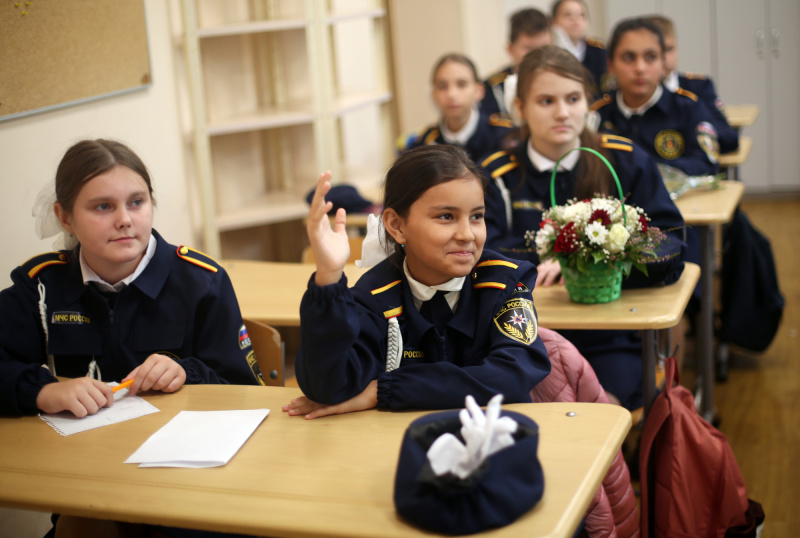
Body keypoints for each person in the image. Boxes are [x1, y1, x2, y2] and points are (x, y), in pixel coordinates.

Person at [0, 139, 264, 537]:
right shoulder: (41, 287)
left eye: (137, 202)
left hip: (189, 492)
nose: (124, 219)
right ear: (65, 217)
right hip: (91, 490)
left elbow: (249, 391)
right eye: (102, 207)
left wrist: (186, 370)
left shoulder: (201, 281)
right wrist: (43, 391)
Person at [481, 45, 686, 410]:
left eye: (573, 98)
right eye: (546, 101)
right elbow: (482, 249)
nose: (562, 112)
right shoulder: (495, 175)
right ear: (520, 108)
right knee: (526, 416)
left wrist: (601, 259)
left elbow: (670, 241)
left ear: (588, 103)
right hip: (522, 335)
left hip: (612, 335)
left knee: (596, 412)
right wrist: (549, 256)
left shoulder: (625, 159)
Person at [283, 145, 551, 420]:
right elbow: (327, 388)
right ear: (397, 226)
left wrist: (384, 390)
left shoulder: (503, 283)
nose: (466, 234)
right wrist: (329, 279)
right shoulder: (377, 294)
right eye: (446, 217)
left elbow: (513, 375)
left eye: (476, 216)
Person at [592, 17, 721, 177]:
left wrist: (649, 169)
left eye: (651, 57)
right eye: (628, 58)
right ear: (611, 64)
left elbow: (707, 163)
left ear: (663, 63)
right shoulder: (597, 113)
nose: (640, 68)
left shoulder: (689, 108)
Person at [647, 14, 739, 154]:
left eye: (670, 49)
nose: (665, 58)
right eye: (655, 53)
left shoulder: (698, 87)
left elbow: (729, 138)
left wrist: (693, 128)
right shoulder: (634, 95)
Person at [402, 54, 514, 161]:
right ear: (433, 93)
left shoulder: (504, 134)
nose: (451, 94)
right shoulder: (426, 144)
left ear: (479, 90)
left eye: (461, 84)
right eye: (442, 86)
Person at [481, 7, 553, 123]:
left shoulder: (566, 81)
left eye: (545, 47)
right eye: (529, 48)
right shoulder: (493, 89)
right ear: (511, 49)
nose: (538, 55)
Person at [550, 0, 607, 98]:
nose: (576, 20)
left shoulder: (599, 51)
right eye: (568, 15)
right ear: (553, 22)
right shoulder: (549, 53)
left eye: (582, 15)